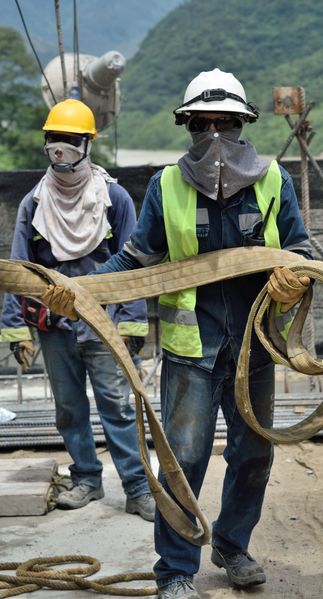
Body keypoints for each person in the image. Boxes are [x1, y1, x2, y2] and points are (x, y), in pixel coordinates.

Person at [41, 70, 312, 598]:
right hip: (193, 350)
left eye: (225, 123)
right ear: (188, 126)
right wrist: (79, 291)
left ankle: (233, 547)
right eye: (202, 123)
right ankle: (176, 570)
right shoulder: (167, 186)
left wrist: (293, 279)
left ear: (242, 124)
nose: (214, 133)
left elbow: (299, 250)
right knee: (182, 458)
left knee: (254, 454)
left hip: (256, 346)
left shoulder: (274, 180)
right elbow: (134, 259)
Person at [0, 99, 155, 522]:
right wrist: (15, 329)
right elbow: (16, 270)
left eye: (69, 140)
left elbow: (136, 264)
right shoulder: (34, 204)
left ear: (88, 144)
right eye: (54, 139)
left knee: (118, 407)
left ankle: (138, 488)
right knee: (69, 407)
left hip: (104, 324)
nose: (60, 147)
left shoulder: (114, 199)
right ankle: (87, 478)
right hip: (54, 327)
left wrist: (133, 321)